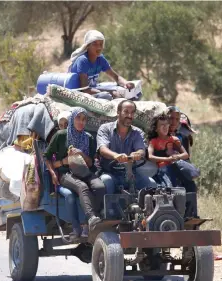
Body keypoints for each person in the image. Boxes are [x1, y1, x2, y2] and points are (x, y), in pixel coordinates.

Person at [44, 107, 105, 239]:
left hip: (85, 172)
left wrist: (81, 154)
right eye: (78, 118)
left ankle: (94, 218)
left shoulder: (88, 138)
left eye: (84, 119)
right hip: (65, 174)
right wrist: (55, 171)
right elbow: (46, 157)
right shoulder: (61, 136)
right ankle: (90, 218)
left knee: (99, 187)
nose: (81, 122)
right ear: (72, 119)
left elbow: (90, 163)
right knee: (82, 187)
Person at [97, 99, 157, 194]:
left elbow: (141, 150)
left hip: (132, 174)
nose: (129, 116)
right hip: (110, 173)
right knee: (106, 181)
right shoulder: (105, 129)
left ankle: (146, 208)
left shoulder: (137, 133)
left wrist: (137, 154)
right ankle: (107, 209)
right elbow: (103, 149)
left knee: (152, 184)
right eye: (126, 112)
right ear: (118, 112)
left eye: (132, 113)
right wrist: (115, 156)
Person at [69, 30, 134, 99]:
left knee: (134, 93)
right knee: (107, 96)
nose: (99, 47)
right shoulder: (83, 60)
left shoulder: (100, 58)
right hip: (80, 94)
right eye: (95, 44)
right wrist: (110, 92)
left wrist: (126, 83)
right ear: (88, 46)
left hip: (93, 90)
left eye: (101, 44)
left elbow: (116, 77)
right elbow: (85, 89)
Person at [147, 113, 192, 188]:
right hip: (162, 170)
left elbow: (185, 155)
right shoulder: (153, 141)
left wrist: (176, 157)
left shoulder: (174, 139)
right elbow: (150, 156)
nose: (165, 127)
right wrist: (167, 159)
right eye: (162, 125)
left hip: (175, 168)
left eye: (166, 124)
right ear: (156, 129)